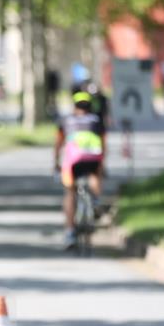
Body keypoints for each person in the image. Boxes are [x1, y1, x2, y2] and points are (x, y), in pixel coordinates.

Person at [55, 92, 106, 250]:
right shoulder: (97, 120)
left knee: (70, 192)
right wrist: (101, 165)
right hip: (93, 157)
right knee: (94, 175)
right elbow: (104, 144)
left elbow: (58, 144)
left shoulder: (66, 120)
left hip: (73, 161)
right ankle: (96, 201)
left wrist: (56, 162)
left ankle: (70, 232)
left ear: (74, 106)